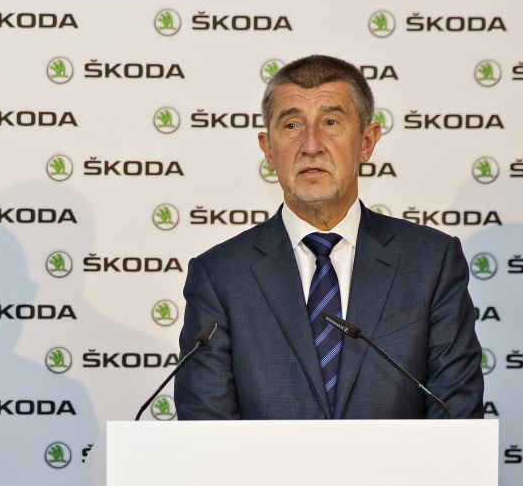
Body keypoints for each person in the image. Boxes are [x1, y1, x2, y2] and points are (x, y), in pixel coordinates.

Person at [176, 55, 484, 420]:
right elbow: (206, 426)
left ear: (367, 141)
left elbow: (455, 415)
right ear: (268, 149)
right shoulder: (221, 275)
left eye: (331, 122)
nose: (311, 145)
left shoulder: (431, 263)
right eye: (291, 125)